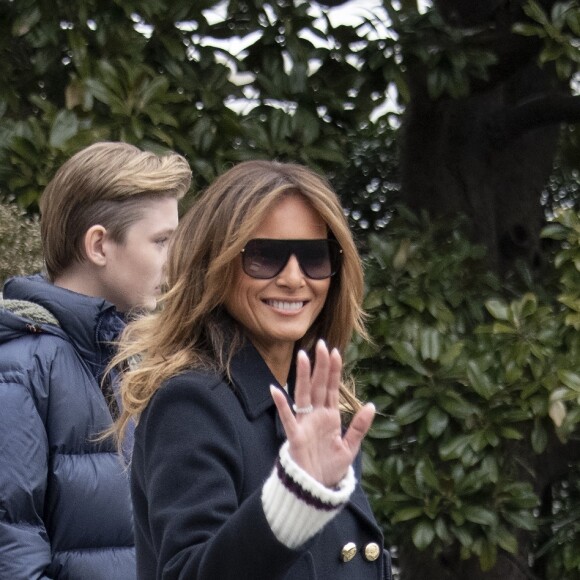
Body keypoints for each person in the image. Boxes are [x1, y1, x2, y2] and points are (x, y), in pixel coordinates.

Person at [113, 159, 393, 579]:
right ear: (217, 265)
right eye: (265, 257)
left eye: (315, 257)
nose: (295, 278)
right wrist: (295, 498)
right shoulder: (191, 403)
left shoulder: (319, 405)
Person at [0, 141, 192, 579]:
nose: (175, 263)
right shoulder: (19, 370)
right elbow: (12, 560)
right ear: (99, 245)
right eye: (162, 242)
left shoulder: (127, 364)